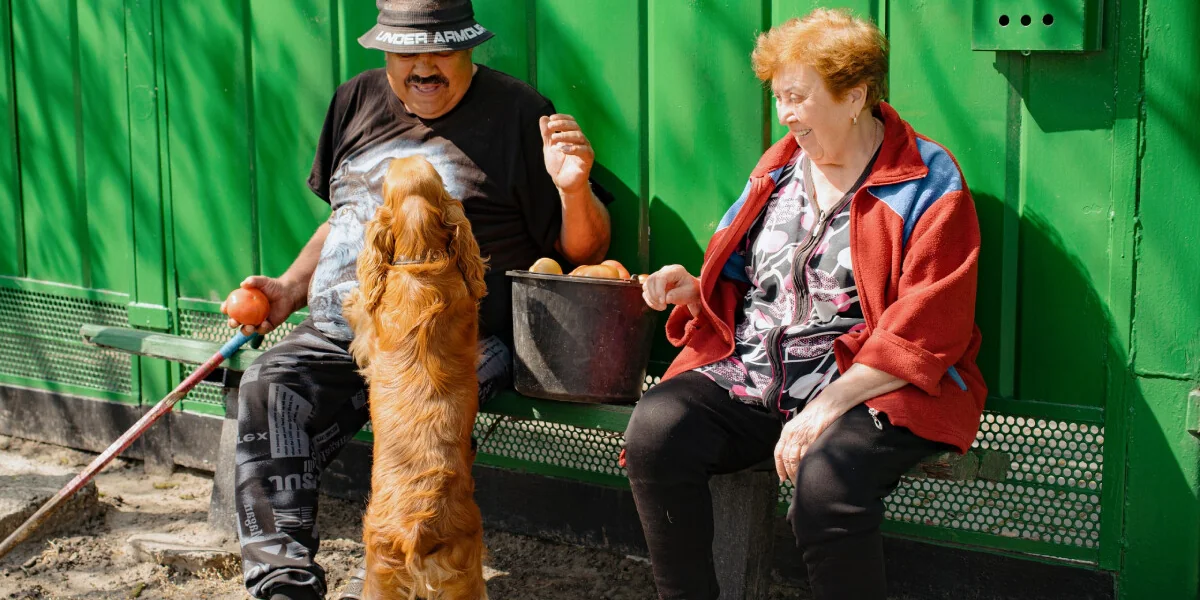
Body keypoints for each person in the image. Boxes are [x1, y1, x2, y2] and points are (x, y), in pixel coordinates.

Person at [220, 1, 612, 598]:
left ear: (470, 48)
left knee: (413, 418)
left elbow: (583, 248)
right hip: (343, 329)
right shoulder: (355, 100)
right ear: (385, 50)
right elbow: (343, 220)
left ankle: (412, 558)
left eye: (441, 50)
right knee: (266, 389)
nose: (424, 66)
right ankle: (283, 584)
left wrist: (574, 187)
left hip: (457, 338)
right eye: (408, 51)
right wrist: (288, 288)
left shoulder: (519, 114)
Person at [625, 9, 986, 600]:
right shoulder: (780, 166)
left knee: (827, 484)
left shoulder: (925, 180)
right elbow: (746, 274)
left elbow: (930, 324)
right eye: (778, 97)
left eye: (798, 97)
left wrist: (828, 405)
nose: (785, 114)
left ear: (855, 97)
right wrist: (694, 286)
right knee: (658, 430)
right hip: (760, 374)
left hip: (872, 385)